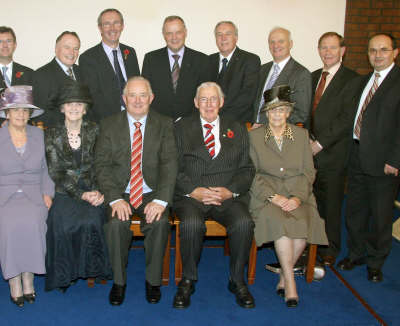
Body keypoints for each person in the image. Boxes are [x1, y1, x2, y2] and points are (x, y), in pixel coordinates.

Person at [337, 33, 400, 283]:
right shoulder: (362, 82)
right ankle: (355, 254)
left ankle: (375, 262)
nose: (377, 55)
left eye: (383, 50)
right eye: (373, 50)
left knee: (381, 215)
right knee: (355, 211)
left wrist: (396, 160)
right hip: (356, 156)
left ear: (395, 52)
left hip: (384, 162)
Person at [94, 76, 177, 306]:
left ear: (151, 98)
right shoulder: (109, 124)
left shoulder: (165, 124)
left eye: (143, 95)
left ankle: (153, 282)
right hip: (121, 191)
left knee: (160, 223)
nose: (138, 100)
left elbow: (170, 165)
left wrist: (161, 200)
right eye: (132, 95)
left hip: (152, 191)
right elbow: (101, 165)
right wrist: (113, 199)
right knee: (115, 224)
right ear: (124, 98)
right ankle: (119, 282)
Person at [173, 82, 256, 309]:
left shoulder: (237, 127)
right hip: (192, 195)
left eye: (213, 99)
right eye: (203, 99)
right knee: (190, 224)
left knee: (244, 223)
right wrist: (193, 191)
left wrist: (231, 191)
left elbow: (247, 168)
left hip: (226, 195)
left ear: (221, 102)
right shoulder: (180, 128)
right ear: (195, 103)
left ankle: (237, 280)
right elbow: (171, 167)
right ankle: (188, 280)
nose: (208, 104)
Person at [248, 85, 328, 308]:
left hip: (299, 194)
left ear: (289, 112)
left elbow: (309, 171)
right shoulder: (254, 137)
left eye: (281, 110)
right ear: (266, 112)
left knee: (303, 223)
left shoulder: (302, 136)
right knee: (281, 224)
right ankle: (291, 282)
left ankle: (284, 276)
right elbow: (250, 174)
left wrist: (297, 198)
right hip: (266, 196)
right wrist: (273, 197)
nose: (277, 115)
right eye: (272, 110)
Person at [0, 85, 55, 307]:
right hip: (4, 197)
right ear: (6, 113)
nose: (20, 114)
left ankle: (28, 277)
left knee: (34, 225)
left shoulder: (40, 135)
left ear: (29, 114)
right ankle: (14, 280)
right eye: (15, 110)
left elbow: (47, 169)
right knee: (10, 228)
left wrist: (47, 192)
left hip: (33, 194)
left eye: (24, 110)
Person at [44, 81, 112, 292]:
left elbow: (104, 164)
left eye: (79, 104)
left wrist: (101, 191)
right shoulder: (51, 134)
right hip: (66, 190)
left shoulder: (96, 130)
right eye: (69, 104)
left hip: (94, 188)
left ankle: (93, 269)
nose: (74, 108)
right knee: (62, 224)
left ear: (85, 109)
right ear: (62, 108)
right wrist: (82, 194)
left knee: (92, 220)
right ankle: (65, 274)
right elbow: (56, 173)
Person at [309, 32, 358, 266]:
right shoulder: (313, 76)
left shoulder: (353, 80)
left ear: (342, 50)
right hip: (310, 152)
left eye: (332, 47)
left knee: (332, 203)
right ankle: (313, 244)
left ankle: (330, 248)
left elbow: (345, 119)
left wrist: (318, 144)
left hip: (334, 153)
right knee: (313, 201)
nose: (327, 52)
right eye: (323, 47)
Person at [142, 15, 209, 121]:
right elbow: (145, 93)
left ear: (185, 32)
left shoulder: (201, 60)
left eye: (178, 32)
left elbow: (205, 96)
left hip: (191, 124)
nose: (174, 37)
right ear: (164, 35)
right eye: (169, 33)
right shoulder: (151, 59)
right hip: (158, 124)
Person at [79, 8, 140, 122]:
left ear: (122, 26)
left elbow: (137, 85)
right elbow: (93, 97)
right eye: (107, 24)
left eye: (116, 23)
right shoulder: (88, 58)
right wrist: (119, 120)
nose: (112, 28)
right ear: (100, 28)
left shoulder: (130, 52)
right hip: (106, 123)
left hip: (134, 119)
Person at [253, 27, 311, 128]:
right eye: (272, 42)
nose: (276, 45)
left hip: (278, 134)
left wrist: (268, 126)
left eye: (281, 41)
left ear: (291, 44)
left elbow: (301, 113)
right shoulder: (262, 69)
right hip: (253, 130)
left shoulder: (301, 74)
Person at [209, 21, 261, 124]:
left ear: (236, 37)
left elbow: (247, 96)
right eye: (219, 34)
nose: (223, 38)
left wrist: (219, 119)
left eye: (228, 34)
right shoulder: (208, 61)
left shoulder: (250, 60)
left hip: (238, 124)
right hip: (209, 122)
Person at [33, 31, 83, 128]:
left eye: (75, 48)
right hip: (56, 136)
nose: (71, 53)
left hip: (84, 134)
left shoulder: (81, 72)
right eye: (67, 47)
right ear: (56, 49)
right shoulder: (41, 75)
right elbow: (40, 114)